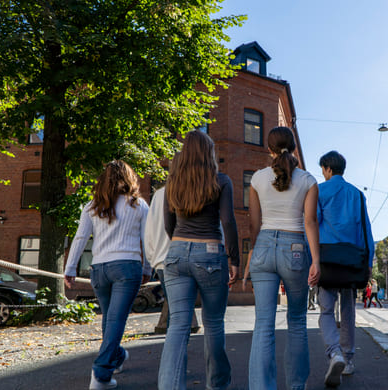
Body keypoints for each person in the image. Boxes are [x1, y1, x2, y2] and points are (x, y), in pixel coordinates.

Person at [158, 130, 240, 390]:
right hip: (211, 254)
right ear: (209, 153)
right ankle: (217, 385)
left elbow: (167, 224)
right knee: (213, 322)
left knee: (178, 325)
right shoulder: (221, 181)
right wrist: (234, 258)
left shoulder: (172, 182)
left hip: (176, 253)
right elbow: (227, 221)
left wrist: (181, 245)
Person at [243, 126, 320, 390]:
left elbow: (254, 224)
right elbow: (310, 222)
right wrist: (316, 261)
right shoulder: (309, 180)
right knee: (297, 321)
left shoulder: (256, 179)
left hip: (264, 246)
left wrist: (254, 252)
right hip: (295, 248)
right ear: (294, 148)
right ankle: (297, 386)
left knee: (263, 323)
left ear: (269, 149)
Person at [64, 160, 152, 390]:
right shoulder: (139, 205)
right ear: (130, 178)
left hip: (99, 269)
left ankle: (118, 357)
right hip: (127, 267)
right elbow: (147, 240)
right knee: (115, 320)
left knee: (109, 319)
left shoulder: (92, 205)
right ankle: (101, 374)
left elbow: (80, 238)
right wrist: (147, 269)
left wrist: (70, 268)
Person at [316, 150, 375, 388]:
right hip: (351, 261)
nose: (322, 173)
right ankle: (348, 360)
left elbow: (313, 224)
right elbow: (366, 231)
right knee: (348, 312)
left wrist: (312, 261)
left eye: (323, 169)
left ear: (328, 169)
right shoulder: (357, 194)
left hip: (327, 260)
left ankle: (334, 353)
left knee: (326, 311)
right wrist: (368, 263)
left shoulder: (319, 191)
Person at [144, 186, 200, 333]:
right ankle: (177, 353)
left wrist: (152, 260)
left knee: (177, 313)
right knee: (181, 315)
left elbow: (148, 231)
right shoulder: (199, 189)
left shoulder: (159, 194)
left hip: (162, 261)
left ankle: (174, 352)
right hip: (192, 258)